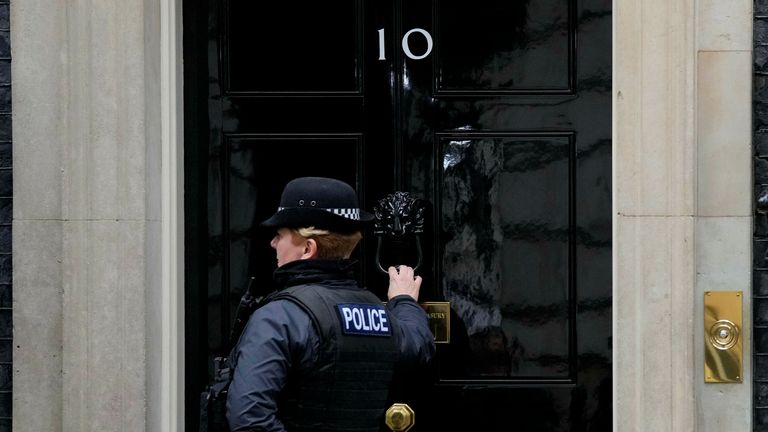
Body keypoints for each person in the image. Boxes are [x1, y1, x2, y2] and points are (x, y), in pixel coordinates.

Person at [226, 176, 435, 432]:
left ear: (307, 248)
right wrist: (404, 301)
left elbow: (250, 419)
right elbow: (418, 344)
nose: (273, 243)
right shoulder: (378, 313)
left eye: (280, 235)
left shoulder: (280, 317)